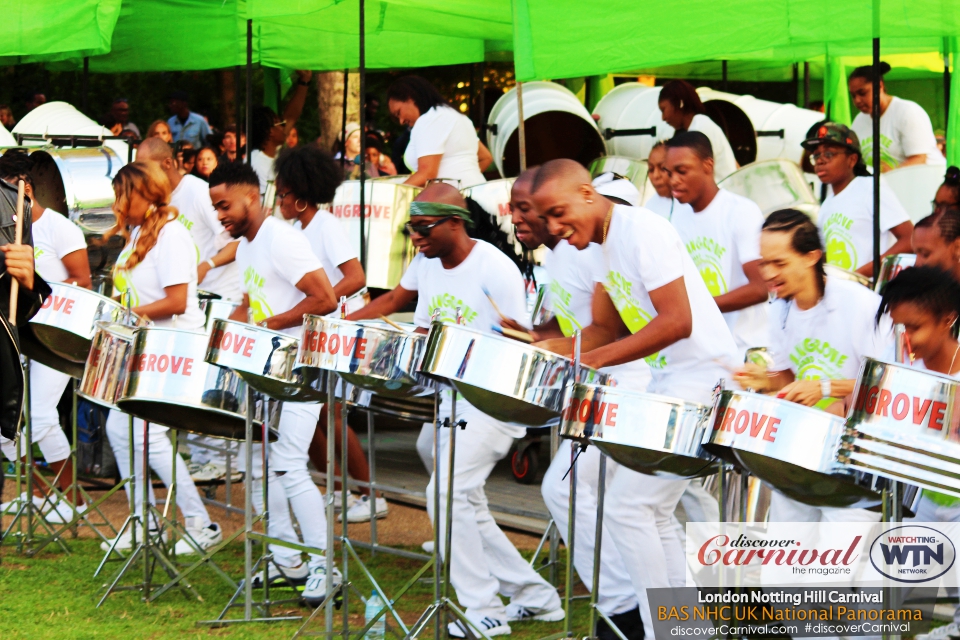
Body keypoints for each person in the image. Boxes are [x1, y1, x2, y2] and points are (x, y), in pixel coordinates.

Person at [529, 159, 740, 639]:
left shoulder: (642, 228)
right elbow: (608, 325)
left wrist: (597, 361)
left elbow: (676, 321)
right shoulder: (598, 247)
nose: (557, 228)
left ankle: (659, 630)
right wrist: (567, 352)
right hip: (668, 381)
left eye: (560, 213)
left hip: (705, 376)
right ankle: (686, 629)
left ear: (587, 193)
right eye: (548, 221)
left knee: (629, 505)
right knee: (652, 512)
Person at [348, 183, 564, 637]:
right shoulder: (426, 263)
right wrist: (341, 326)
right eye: (411, 227)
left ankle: (483, 610)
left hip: (490, 398)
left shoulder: (494, 267)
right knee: (459, 495)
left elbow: (520, 346)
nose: (416, 236)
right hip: (450, 396)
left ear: (454, 222)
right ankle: (535, 596)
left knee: (444, 495)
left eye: (424, 227)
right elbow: (394, 304)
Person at [508, 168, 646, 640]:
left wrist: (556, 348)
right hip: (596, 385)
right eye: (516, 208)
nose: (518, 218)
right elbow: (562, 326)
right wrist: (528, 338)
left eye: (527, 208)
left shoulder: (598, 249)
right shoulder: (558, 258)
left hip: (629, 384)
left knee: (583, 494)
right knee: (599, 500)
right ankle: (626, 611)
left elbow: (610, 331)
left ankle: (627, 610)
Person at [210, 161, 339, 604]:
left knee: (287, 461)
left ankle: (326, 566)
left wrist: (270, 324)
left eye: (224, 205)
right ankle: (288, 561)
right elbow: (249, 303)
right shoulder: (247, 245)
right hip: (267, 367)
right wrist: (225, 334)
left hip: (300, 367)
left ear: (251, 196)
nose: (219, 215)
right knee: (260, 461)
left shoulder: (281, 238)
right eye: (214, 208)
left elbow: (325, 297)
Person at [733, 209, 893, 521]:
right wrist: (764, 380)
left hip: (855, 457)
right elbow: (789, 380)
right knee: (785, 564)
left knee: (832, 568)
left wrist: (824, 388)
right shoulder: (780, 309)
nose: (767, 273)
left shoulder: (860, 305)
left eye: (779, 263)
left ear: (811, 257)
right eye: (763, 262)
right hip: (801, 451)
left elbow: (889, 386)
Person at [98, 161, 222, 555]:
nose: (117, 203)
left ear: (145, 194)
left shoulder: (171, 235)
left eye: (123, 194)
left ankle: (202, 524)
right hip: (143, 348)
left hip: (173, 347)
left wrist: (128, 315)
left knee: (150, 439)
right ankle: (143, 522)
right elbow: (132, 293)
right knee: (121, 432)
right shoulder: (136, 235)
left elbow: (177, 300)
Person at [273, 144, 384, 523]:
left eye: (283, 194)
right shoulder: (294, 229)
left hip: (337, 329)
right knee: (312, 411)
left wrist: (321, 300)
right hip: (313, 330)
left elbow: (356, 277)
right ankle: (335, 490)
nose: (279, 200)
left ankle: (371, 495)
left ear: (301, 198)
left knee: (333, 414)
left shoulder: (326, 226)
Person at [0, 151, 90, 523]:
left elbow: (82, 281)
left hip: (55, 335)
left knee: (39, 413)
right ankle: (41, 492)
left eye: (8, 190)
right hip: (22, 333)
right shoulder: (7, 225)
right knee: (7, 423)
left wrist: (37, 286)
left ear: (26, 188)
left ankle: (76, 502)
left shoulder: (59, 227)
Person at [879, 267, 960, 640]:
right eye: (899, 328)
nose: (906, 339)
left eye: (914, 328)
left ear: (948, 319)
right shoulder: (900, 371)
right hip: (922, 502)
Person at [665, 131, 769, 352]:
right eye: (669, 172)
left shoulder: (741, 211)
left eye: (682, 171)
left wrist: (701, 307)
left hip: (744, 350)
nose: (673, 180)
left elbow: (761, 287)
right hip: (705, 352)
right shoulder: (677, 216)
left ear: (708, 165)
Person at [803, 122, 913, 277]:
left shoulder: (870, 188)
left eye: (829, 154)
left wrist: (857, 276)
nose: (820, 161)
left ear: (852, 160)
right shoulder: (827, 203)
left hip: (869, 292)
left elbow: (910, 238)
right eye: (816, 156)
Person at [387, 76, 493, 188]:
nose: (401, 121)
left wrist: (395, 194)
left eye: (399, 112)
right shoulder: (456, 116)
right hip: (475, 194)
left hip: (452, 202)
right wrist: (464, 181)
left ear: (410, 98)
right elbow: (485, 157)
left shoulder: (430, 119)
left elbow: (427, 174)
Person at [848, 62, 945, 172]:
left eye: (862, 93)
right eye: (853, 95)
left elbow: (919, 159)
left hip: (925, 182)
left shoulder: (907, 112)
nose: (857, 100)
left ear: (879, 86)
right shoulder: (858, 122)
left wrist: (890, 174)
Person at [249, 70, 314, 195]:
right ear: (270, 132)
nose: (285, 126)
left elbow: (291, 117)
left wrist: (305, 80)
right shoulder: (255, 163)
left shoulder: (275, 153)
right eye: (280, 124)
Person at [657, 80, 737, 180]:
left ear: (679, 104)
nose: (663, 118)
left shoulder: (700, 128)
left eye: (664, 110)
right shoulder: (699, 125)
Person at [644, 140, 691, 220]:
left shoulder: (693, 204)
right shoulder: (650, 207)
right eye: (651, 169)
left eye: (663, 168)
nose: (655, 176)